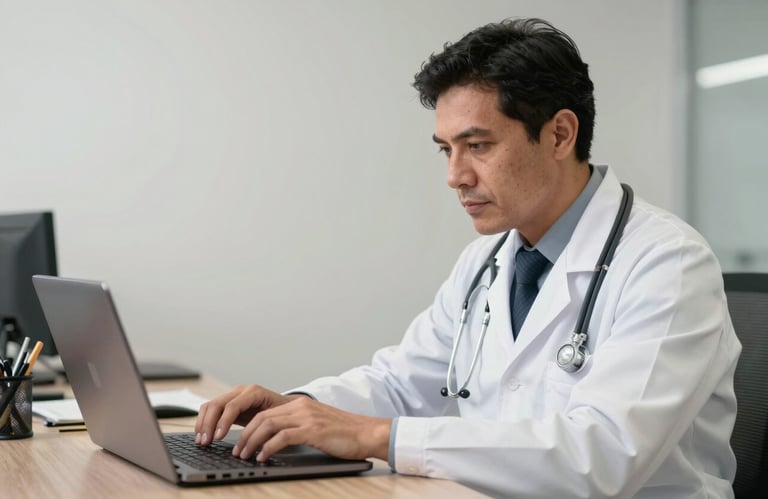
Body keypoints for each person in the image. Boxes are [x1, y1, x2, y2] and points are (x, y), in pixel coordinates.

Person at [195, 18, 741, 498]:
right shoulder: (488, 259)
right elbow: (402, 383)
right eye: (446, 149)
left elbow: (603, 455)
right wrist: (295, 409)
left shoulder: (667, 263)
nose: (455, 175)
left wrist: (376, 436)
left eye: (478, 146)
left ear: (559, 134)